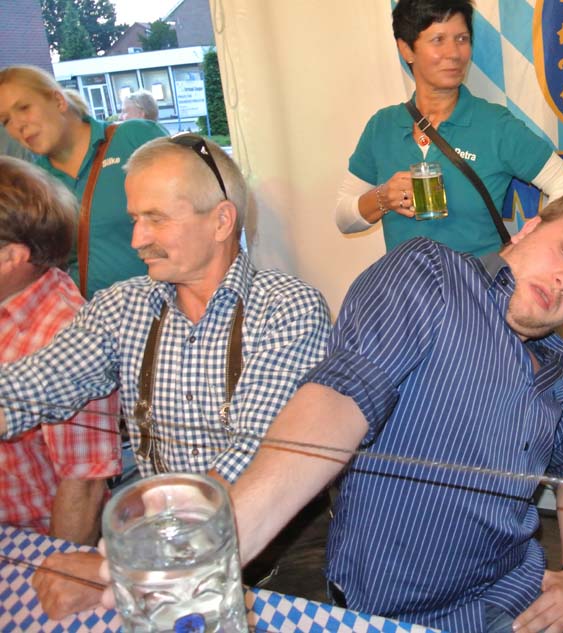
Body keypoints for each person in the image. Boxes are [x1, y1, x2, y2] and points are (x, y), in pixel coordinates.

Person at [211, 190, 563, 633]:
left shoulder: (555, 366)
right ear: (529, 228)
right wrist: (217, 552)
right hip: (392, 615)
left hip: (515, 601)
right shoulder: (433, 276)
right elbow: (340, 399)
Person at [0, 135, 332, 618]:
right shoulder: (123, 306)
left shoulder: (288, 307)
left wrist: (121, 567)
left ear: (221, 221)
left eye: (155, 218)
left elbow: (252, 456)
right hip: (163, 545)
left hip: (279, 559)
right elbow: (34, 385)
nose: (137, 239)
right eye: (135, 219)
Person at [334, 0, 563, 257]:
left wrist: (527, 248)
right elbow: (344, 217)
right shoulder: (383, 126)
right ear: (406, 49)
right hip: (404, 282)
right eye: (438, 40)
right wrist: (383, 198)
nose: (454, 53)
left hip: (478, 282)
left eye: (462, 39)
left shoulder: (495, 124)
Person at [0, 156, 121, 545]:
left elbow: (84, 485)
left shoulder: (68, 335)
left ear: (12, 256)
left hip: (26, 541)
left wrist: (58, 567)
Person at [0, 65, 167, 297]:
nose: (18, 125)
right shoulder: (32, 186)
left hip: (167, 307)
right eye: (6, 120)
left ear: (58, 100)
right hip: (87, 315)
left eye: (24, 107)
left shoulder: (134, 137)